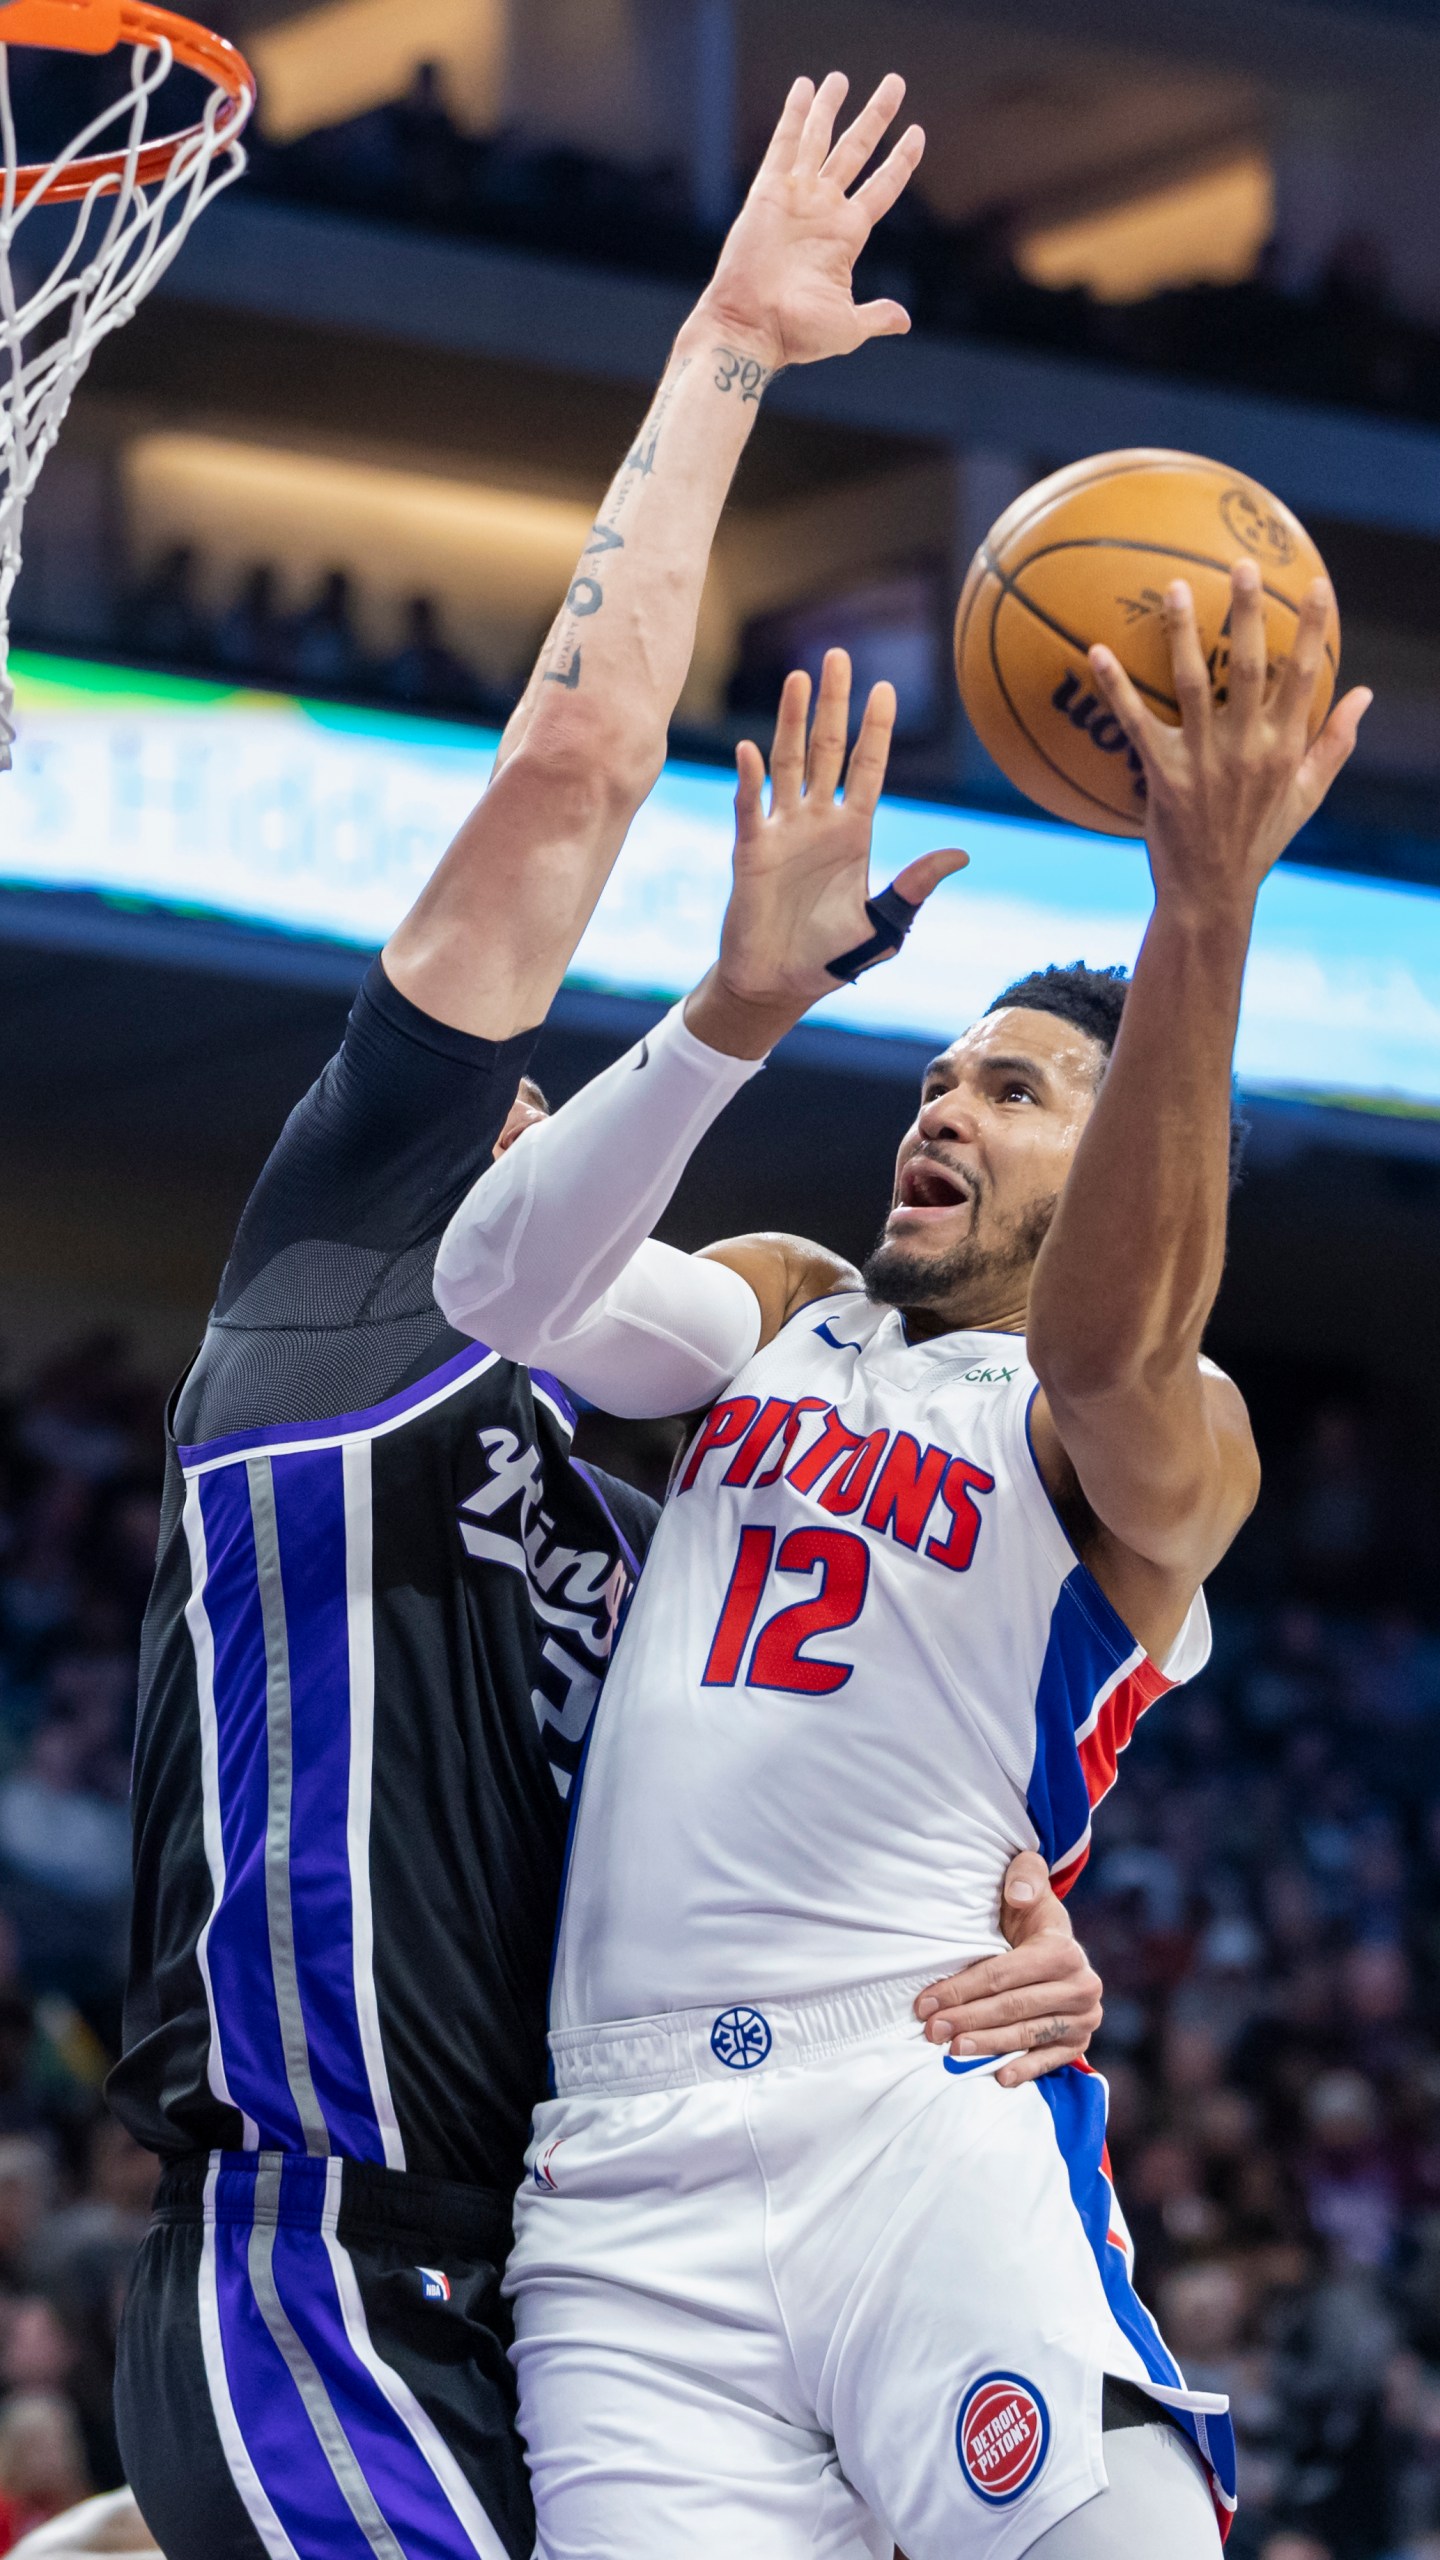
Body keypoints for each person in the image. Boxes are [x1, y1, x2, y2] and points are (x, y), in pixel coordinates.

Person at [103, 69, 1091, 2560]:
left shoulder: (679, 1476)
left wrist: (1013, 1916)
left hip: (589, 2275)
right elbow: (572, 763)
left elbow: (805, 1774)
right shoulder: (354, 1247)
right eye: (521, 1063)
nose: (530, 1075)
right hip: (317, 2250)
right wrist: (729, 357)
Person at [433, 570, 1372, 2558]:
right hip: (617, 2181)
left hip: (915, 2096)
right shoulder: (787, 1303)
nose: (945, 1103)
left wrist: (1199, 916)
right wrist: (740, 1005)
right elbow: (505, 1278)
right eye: (940, 1078)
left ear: (1120, 1159)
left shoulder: (1153, 1430)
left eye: (1017, 1091)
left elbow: (1106, 1339)